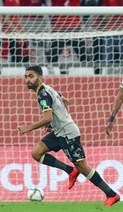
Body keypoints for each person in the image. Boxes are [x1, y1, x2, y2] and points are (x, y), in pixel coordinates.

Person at [18, 65, 120, 207]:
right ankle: (70, 171)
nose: (28, 79)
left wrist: (27, 128)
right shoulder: (47, 88)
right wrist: (56, 121)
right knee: (36, 153)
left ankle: (111, 194)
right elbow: (65, 101)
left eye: (31, 76)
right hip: (60, 131)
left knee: (83, 166)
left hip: (67, 134)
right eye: (26, 76)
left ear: (40, 77)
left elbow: (47, 117)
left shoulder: (42, 93)